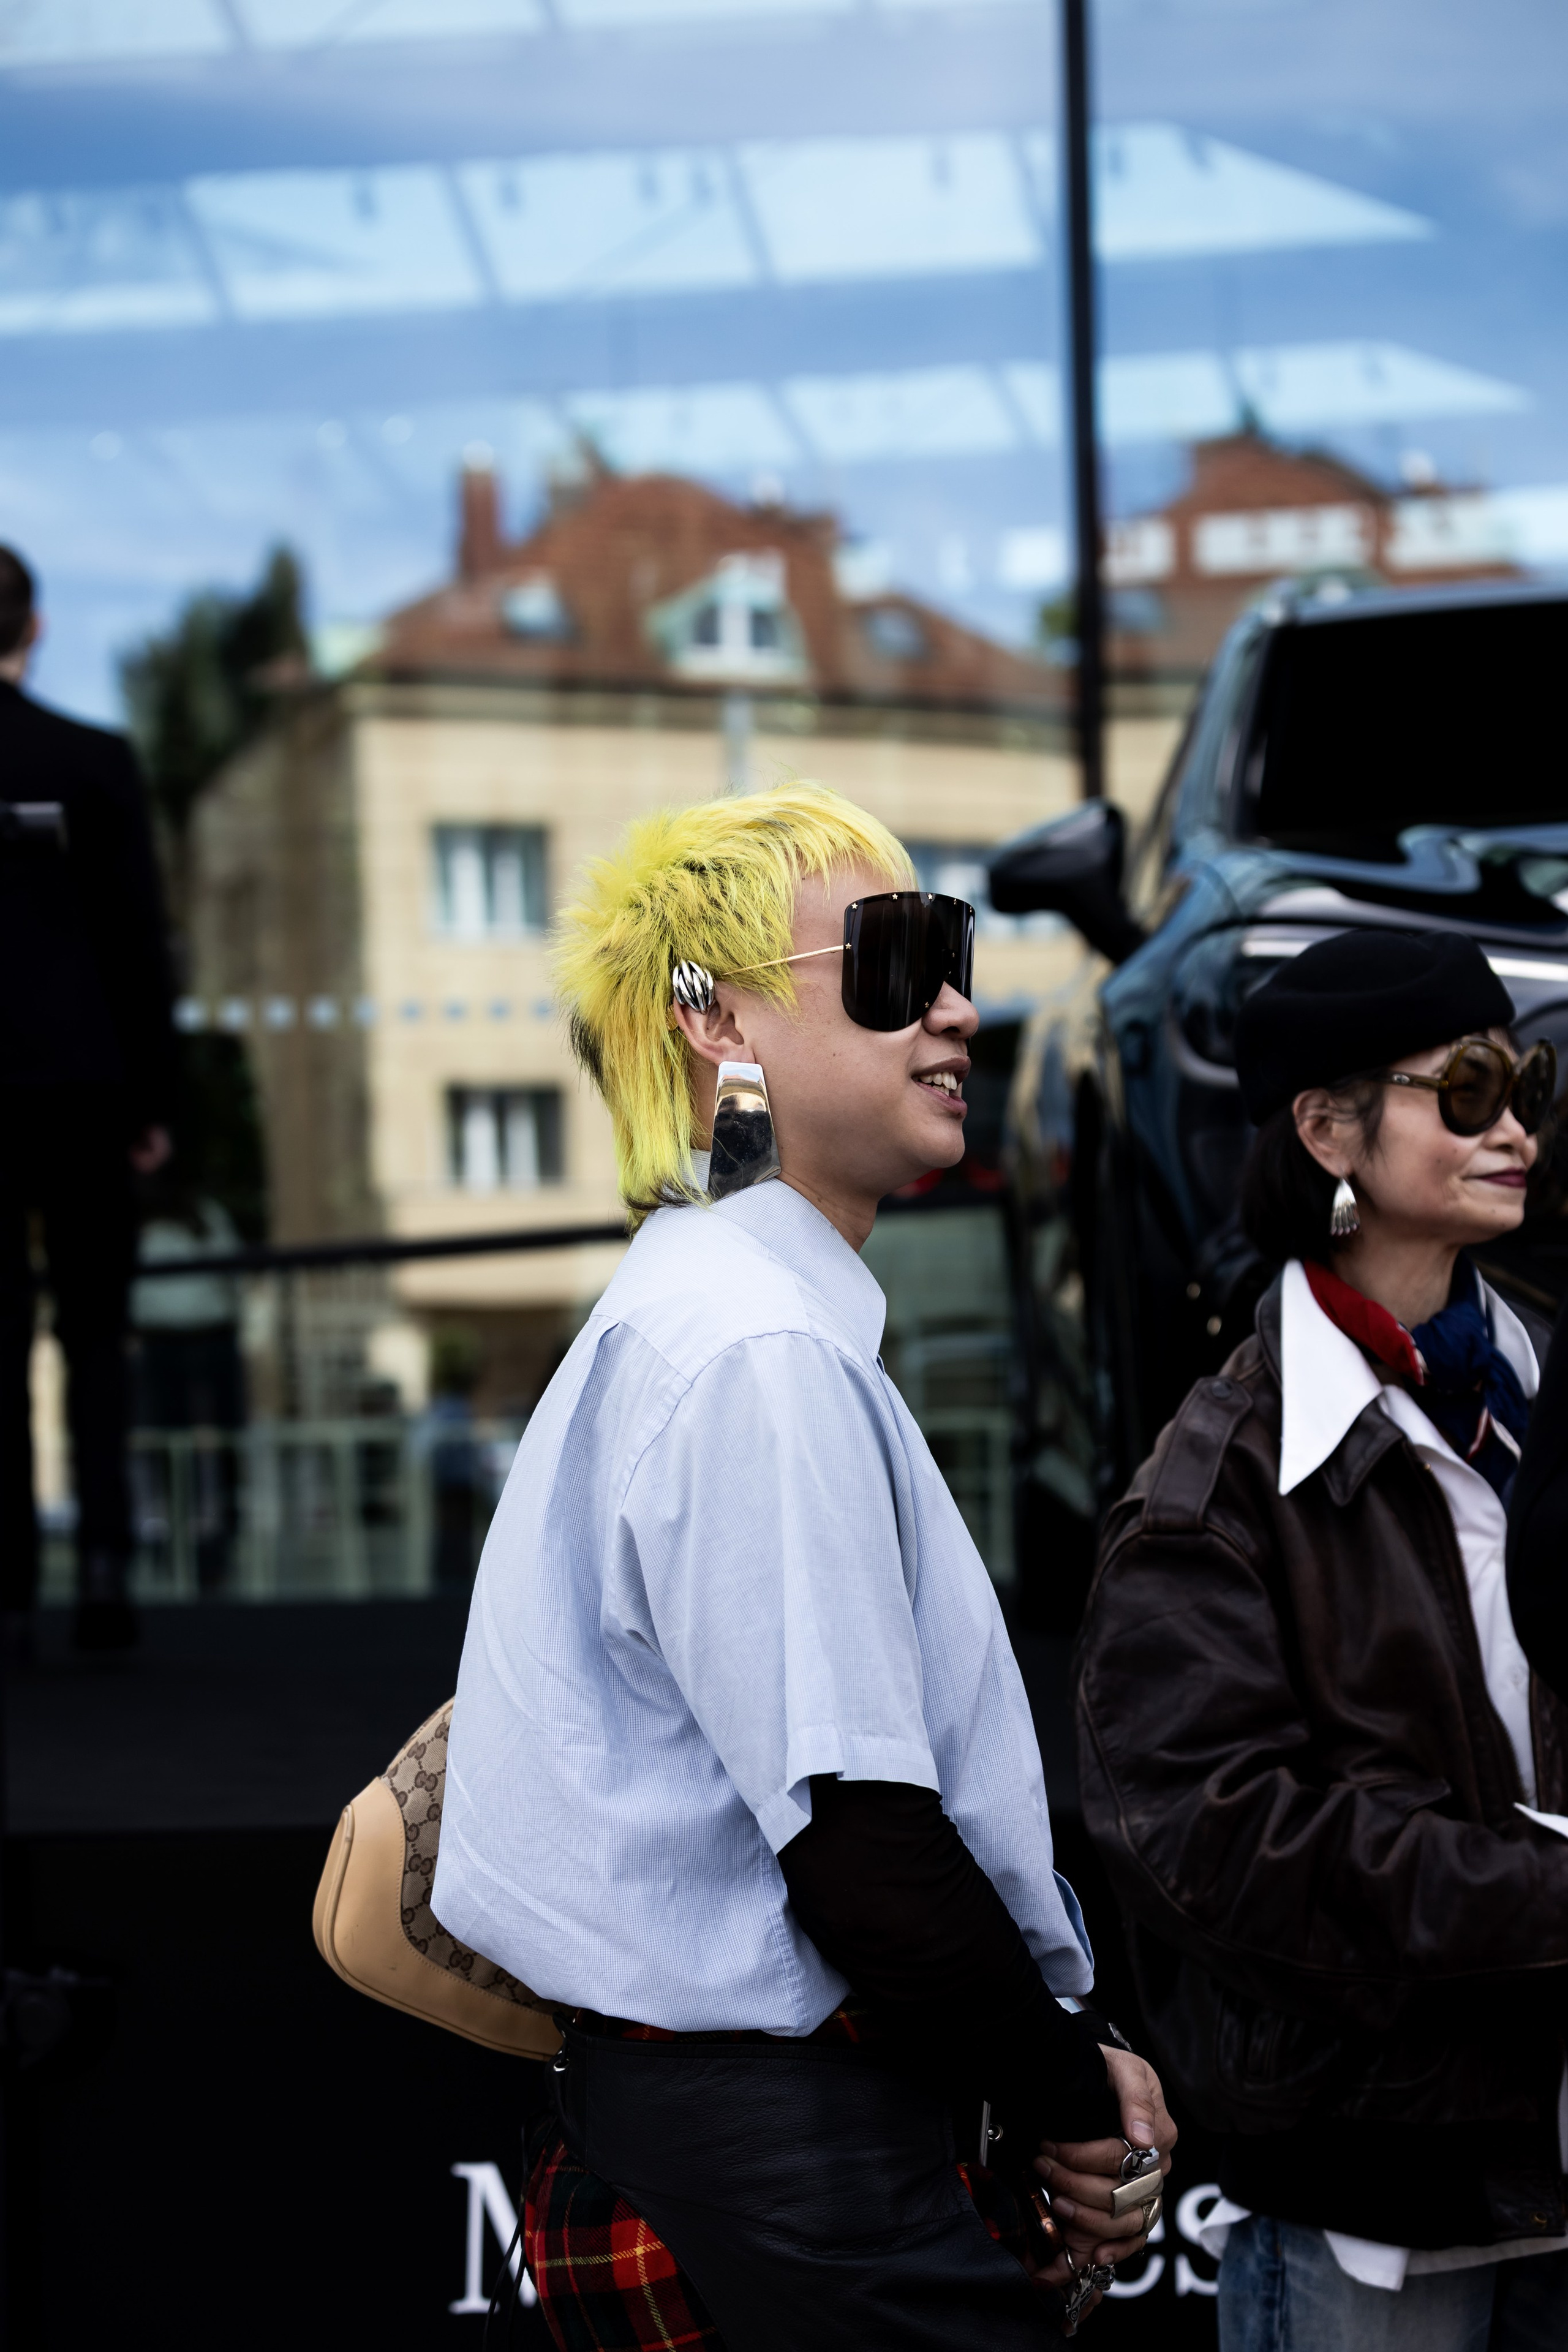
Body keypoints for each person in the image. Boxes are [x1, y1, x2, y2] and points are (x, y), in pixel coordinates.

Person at [432, 783, 1175, 2349]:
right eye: (898, 960)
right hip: (785, 2161)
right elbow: (857, 1842)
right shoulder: (753, 1349)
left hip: (766, 2146)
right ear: (713, 1020)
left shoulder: (716, 1318)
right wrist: (1062, 2082)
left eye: (953, 951)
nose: (958, 1008)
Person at [1076, 925, 1568, 2351]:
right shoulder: (1212, 1482)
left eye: (1521, 1078)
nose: (1512, 1124)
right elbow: (1222, 1848)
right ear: (1324, 1131)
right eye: (1463, 1085)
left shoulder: (1546, 1381)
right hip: (1377, 2208)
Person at [0, 544, 176, 1652]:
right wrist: (154, 1100)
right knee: (97, 1335)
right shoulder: (94, 759)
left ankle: (7, 1586)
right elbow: (137, 945)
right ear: (36, 628)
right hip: (81, 1087)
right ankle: (105, 1568)